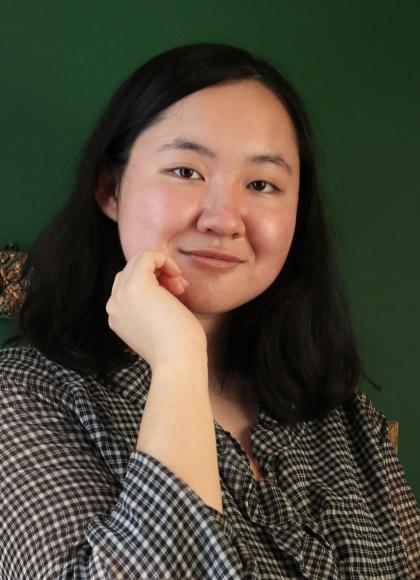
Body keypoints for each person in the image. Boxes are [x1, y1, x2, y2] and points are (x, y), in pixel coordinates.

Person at [0, 43, 418, 579]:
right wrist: (178, 362)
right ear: (111, 188)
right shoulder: (24, 395)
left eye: (262, 184)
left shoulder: (342, 415)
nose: (224, 219)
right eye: (186, 171)